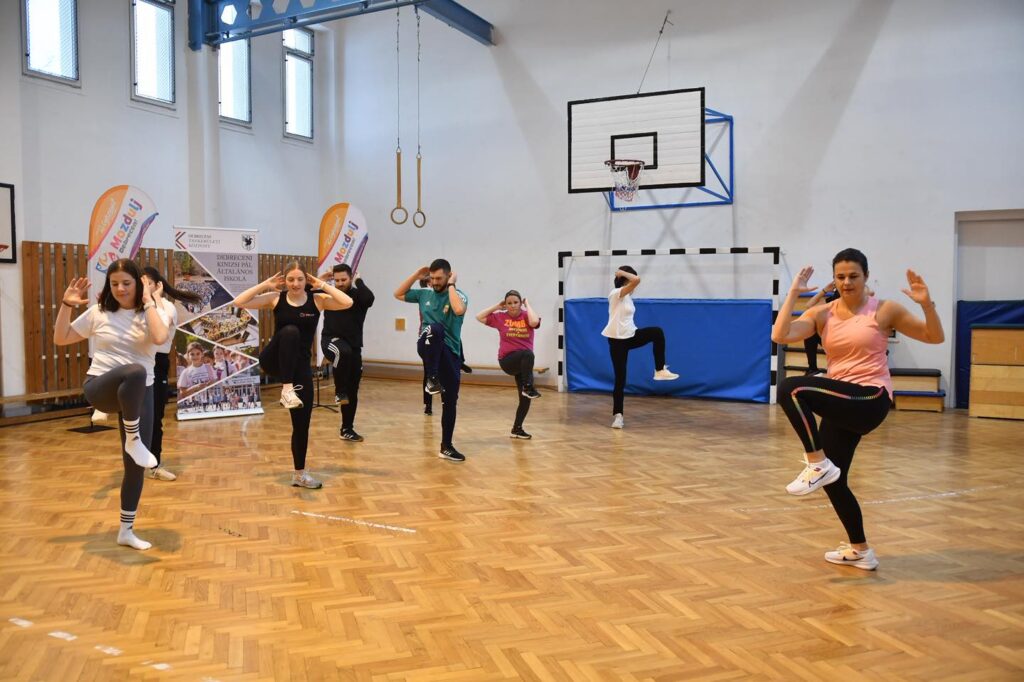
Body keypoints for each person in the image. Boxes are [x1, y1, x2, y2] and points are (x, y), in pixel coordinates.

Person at [771, 248, 944, 570]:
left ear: (866, 277)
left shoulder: (885, 310)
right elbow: (780, 335)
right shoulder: (823, 313)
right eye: (840, 277)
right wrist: (793, 292)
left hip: (870, 397)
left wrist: (926, 304)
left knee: (790, 388)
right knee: (835, 481)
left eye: (853, 276)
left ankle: (816, 463)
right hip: (843, 399)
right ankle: (860, 550)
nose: (847, 282)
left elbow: (934, 337)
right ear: (834, 279)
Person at [53, 259, 170, 550]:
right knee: (135, 371)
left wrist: (149, 302)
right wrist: (66, 305)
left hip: (140, 393)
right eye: (114, 283)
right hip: (101, 387)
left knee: (135, 466)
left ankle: (126, 531)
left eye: (126, 283)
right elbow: (61, 338)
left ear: (139, 284)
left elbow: (159, 337)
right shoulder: (99, 312)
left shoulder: (157, 310)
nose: (119, 289)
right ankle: (133, 438)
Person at [233, 261, 352, 488]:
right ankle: (286, 389)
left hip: (300, 368)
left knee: (301, 424)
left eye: (300, 279)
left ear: (306, 280)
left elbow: (347, 302)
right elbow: (239, 301)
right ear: (284, 281)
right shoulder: (275, 298)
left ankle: (299, 474)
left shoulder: (317, 300)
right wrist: (265, 285)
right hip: (274, 360)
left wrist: (322, 285)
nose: (295, 284)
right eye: (290, 279)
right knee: (290, 331)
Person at [395, 259, 469, 462]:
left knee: (450, 401)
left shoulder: (459, 295)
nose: (435, 282)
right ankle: (432, 378)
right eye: (432, 278)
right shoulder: (424, 294)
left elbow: (459, 310)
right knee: (435, 328)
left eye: (439, 278)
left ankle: (446, 446)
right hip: (426, 343)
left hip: (450, 352)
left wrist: (451, 285)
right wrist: (415, 275)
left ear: (449, 276)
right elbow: (398, 294)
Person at [140, 266, 201, 482]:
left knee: (155, 416)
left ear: (158, 286)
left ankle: (154, 465)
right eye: (140, 283)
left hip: (157, 363)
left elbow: (161, 332)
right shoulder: (137, 307)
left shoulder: (167, 307)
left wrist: (155, 299)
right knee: (132, 417)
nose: (143, 287)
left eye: (147, 283)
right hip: (137, 361)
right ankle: (136, 464)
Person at [601, 266, 679, 429]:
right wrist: (621, 273)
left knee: (657, 332)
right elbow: (636, 280)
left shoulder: (628, 298)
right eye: (630, 280)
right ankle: (618, 416)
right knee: (620, 379)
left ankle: (659, 370)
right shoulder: (616, 293)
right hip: (616, 341)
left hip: (631, 335)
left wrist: (625, 276)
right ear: (625, 280)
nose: (634, 286)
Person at [320, 264, 374, 442]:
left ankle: (347, 429)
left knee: (353, 389)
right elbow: (307, 292)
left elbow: (369, 298)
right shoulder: (329, 293)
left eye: (344, 279)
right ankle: (339, 391)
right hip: (331, 341)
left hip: (354, 347)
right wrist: (323, 278)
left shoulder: (358, 295)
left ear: (351, 278)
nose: (340, 283)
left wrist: (359, 280)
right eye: (337, 280)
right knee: (343, 351)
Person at [476, 290, 541, 439]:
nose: (512, 305)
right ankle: (528, 387)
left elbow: (534, 322)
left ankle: (517, 429)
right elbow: (479, 317)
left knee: (525, 399)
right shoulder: (501, 317)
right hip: (507, 361)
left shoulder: (527, 316)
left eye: (516, 302)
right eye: (509, 303)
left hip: (524, 365)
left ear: (520, 303)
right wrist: (496, 307)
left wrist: (528, 304)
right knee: (528, 354)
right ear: (505, 304)